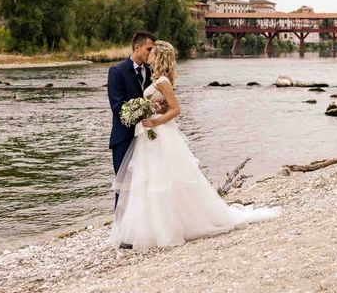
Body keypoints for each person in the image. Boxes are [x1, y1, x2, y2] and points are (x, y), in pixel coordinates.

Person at [110, 40, 281, 250]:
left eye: (153, 53)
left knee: (162, 179)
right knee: (150, 179)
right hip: (151, 135)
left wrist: (154, 120)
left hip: (160, 133)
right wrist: (149, 109)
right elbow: (164, 107)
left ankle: (168, 228)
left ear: (159, 57)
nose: (150, 56)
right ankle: (148, 229)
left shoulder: (162, 81)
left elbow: (176, 110)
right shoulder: (156, 79)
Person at [107, 31, 157, 208]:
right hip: (123, 137)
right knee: (123, 185)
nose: (152, 53)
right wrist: (143, 110)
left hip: (146, 137)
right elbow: (117, 106)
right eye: (149, 49)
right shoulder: (117, 72)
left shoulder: (152, 72)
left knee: (146, 182)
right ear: (137, 47)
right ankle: (120, 228)